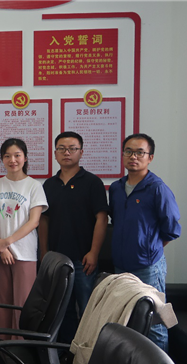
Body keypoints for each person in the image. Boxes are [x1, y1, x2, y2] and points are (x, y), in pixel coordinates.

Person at [109, 133, 181, 352]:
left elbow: (171, 229)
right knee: (128, 318)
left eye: (140, 152)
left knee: (156, 321)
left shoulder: (157, 188)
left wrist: (149, 248)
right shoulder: (116, 188)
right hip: (121, 266)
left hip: (148, 267)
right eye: (129, 151)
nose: (134, 157)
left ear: (150, 157)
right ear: (123, 155)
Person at [39, 131, 108, 344]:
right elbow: (44, 220)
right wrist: (44, 253)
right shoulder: (49, 185)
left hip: (83, 259)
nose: (67, 153)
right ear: (55, 153)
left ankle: (86, 353)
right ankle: (65, 352)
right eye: (61, 149)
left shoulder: (92, 182)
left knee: (87, 309)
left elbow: (102, 218)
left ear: (81, 152)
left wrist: (94, 252)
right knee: (62, 310)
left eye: (72, 149)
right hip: (57, 259)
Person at [0, 138, 48, 340]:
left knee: (23, 304)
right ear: (2, 159)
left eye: (17, 155)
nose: (12, 160)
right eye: (7, 156)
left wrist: (7, 242)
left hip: (24, 253)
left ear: (25, 158)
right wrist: (0, 247)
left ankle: (20, 348)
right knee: (1, 303)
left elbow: (34, 221)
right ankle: (3, 346)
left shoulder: (34, 186)